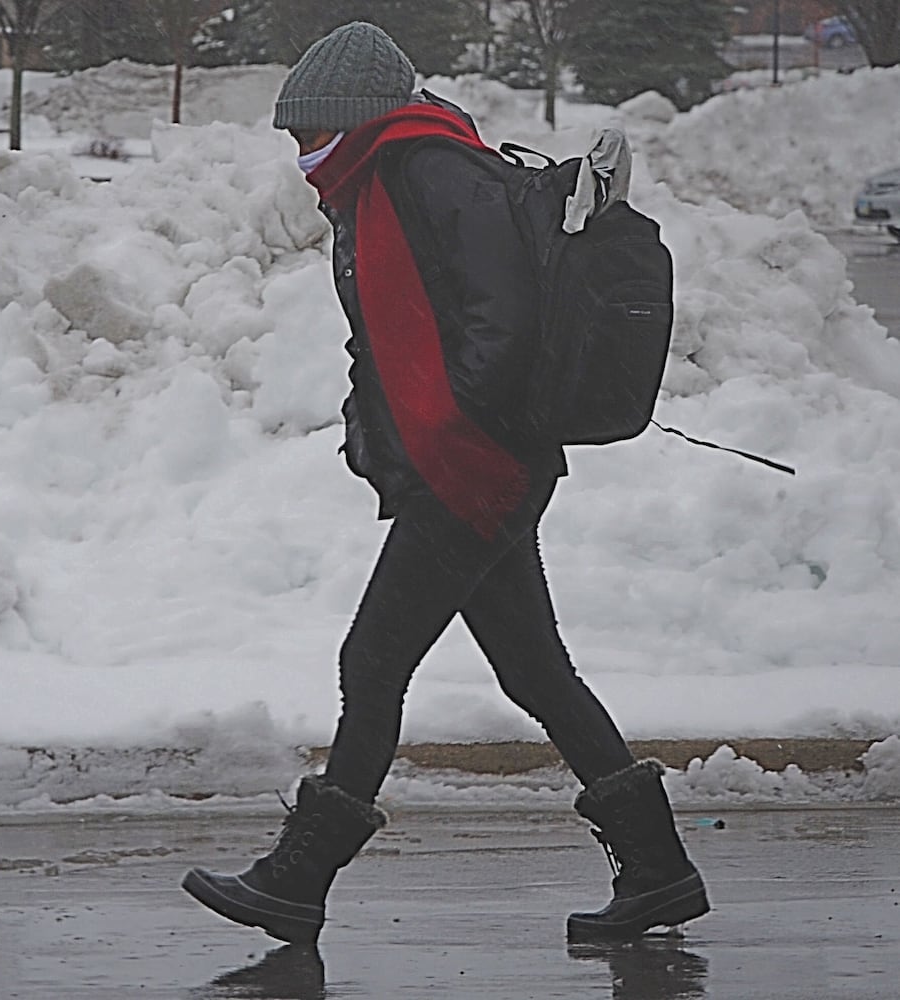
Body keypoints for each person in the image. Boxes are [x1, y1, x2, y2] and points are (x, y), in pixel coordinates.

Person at [181, 21, 708, 946]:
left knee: (372, 661)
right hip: (459, 463)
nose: (301, 154)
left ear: (352, 117)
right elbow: (384, 336)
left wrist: (455, 429)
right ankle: (658, 869)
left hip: (476, 466)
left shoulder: (435, 175)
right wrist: (372, 430)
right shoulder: (376, 185)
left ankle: (298, 879)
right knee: (537, 672)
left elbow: (496, 320)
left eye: (308, 132)